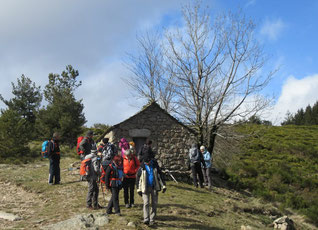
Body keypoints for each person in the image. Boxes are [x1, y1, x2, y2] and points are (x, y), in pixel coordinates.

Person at [136, 153, 166, 226]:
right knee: (146, 203)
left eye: (148, 162)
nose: (147, 163)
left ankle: (152, 219)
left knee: (154, 204)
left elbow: (160, 175)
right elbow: (138, 179)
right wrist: (138, 189)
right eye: (145, 162)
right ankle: (146, 218)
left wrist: (164, 185)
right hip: (145, 187)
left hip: (154, 186)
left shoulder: (155, 166)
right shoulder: (142, 167)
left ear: (150, 161)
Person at [123, 143, 140, 208]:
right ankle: (126, 203)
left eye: (128, 155)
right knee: (125, 190)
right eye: (126, 155)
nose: (127, 156)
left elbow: (138, 165)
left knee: (132, 190)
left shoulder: (134, 159)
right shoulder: (123, 159)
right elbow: (121, 167)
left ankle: (132, 202)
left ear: (131, 154)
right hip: (125, 177)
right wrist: (123, 173)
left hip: (132, 176)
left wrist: (135, 171)